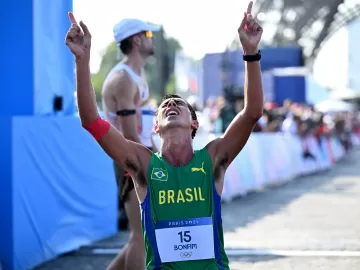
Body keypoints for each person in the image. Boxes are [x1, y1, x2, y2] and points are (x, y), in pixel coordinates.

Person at [65, 1, 263, 269]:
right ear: (155, 127)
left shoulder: (213, 159)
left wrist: (250, 53)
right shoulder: (144, 164)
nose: (170, 104)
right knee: (136, 239)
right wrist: (82, 60)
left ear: (194, 124)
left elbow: (251, 112)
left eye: (179, 104)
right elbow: (91, 121)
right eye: (164, 106)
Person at [101, 18, 160, 269]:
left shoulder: (135, 73)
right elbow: (129, 138)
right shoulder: (123, 79)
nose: (152, 37)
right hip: (130, 161)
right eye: (148, 33)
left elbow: (141, 130)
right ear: (136, 40)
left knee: (140, 234)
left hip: (137, 157)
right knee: (141, 236)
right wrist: (155, 162)